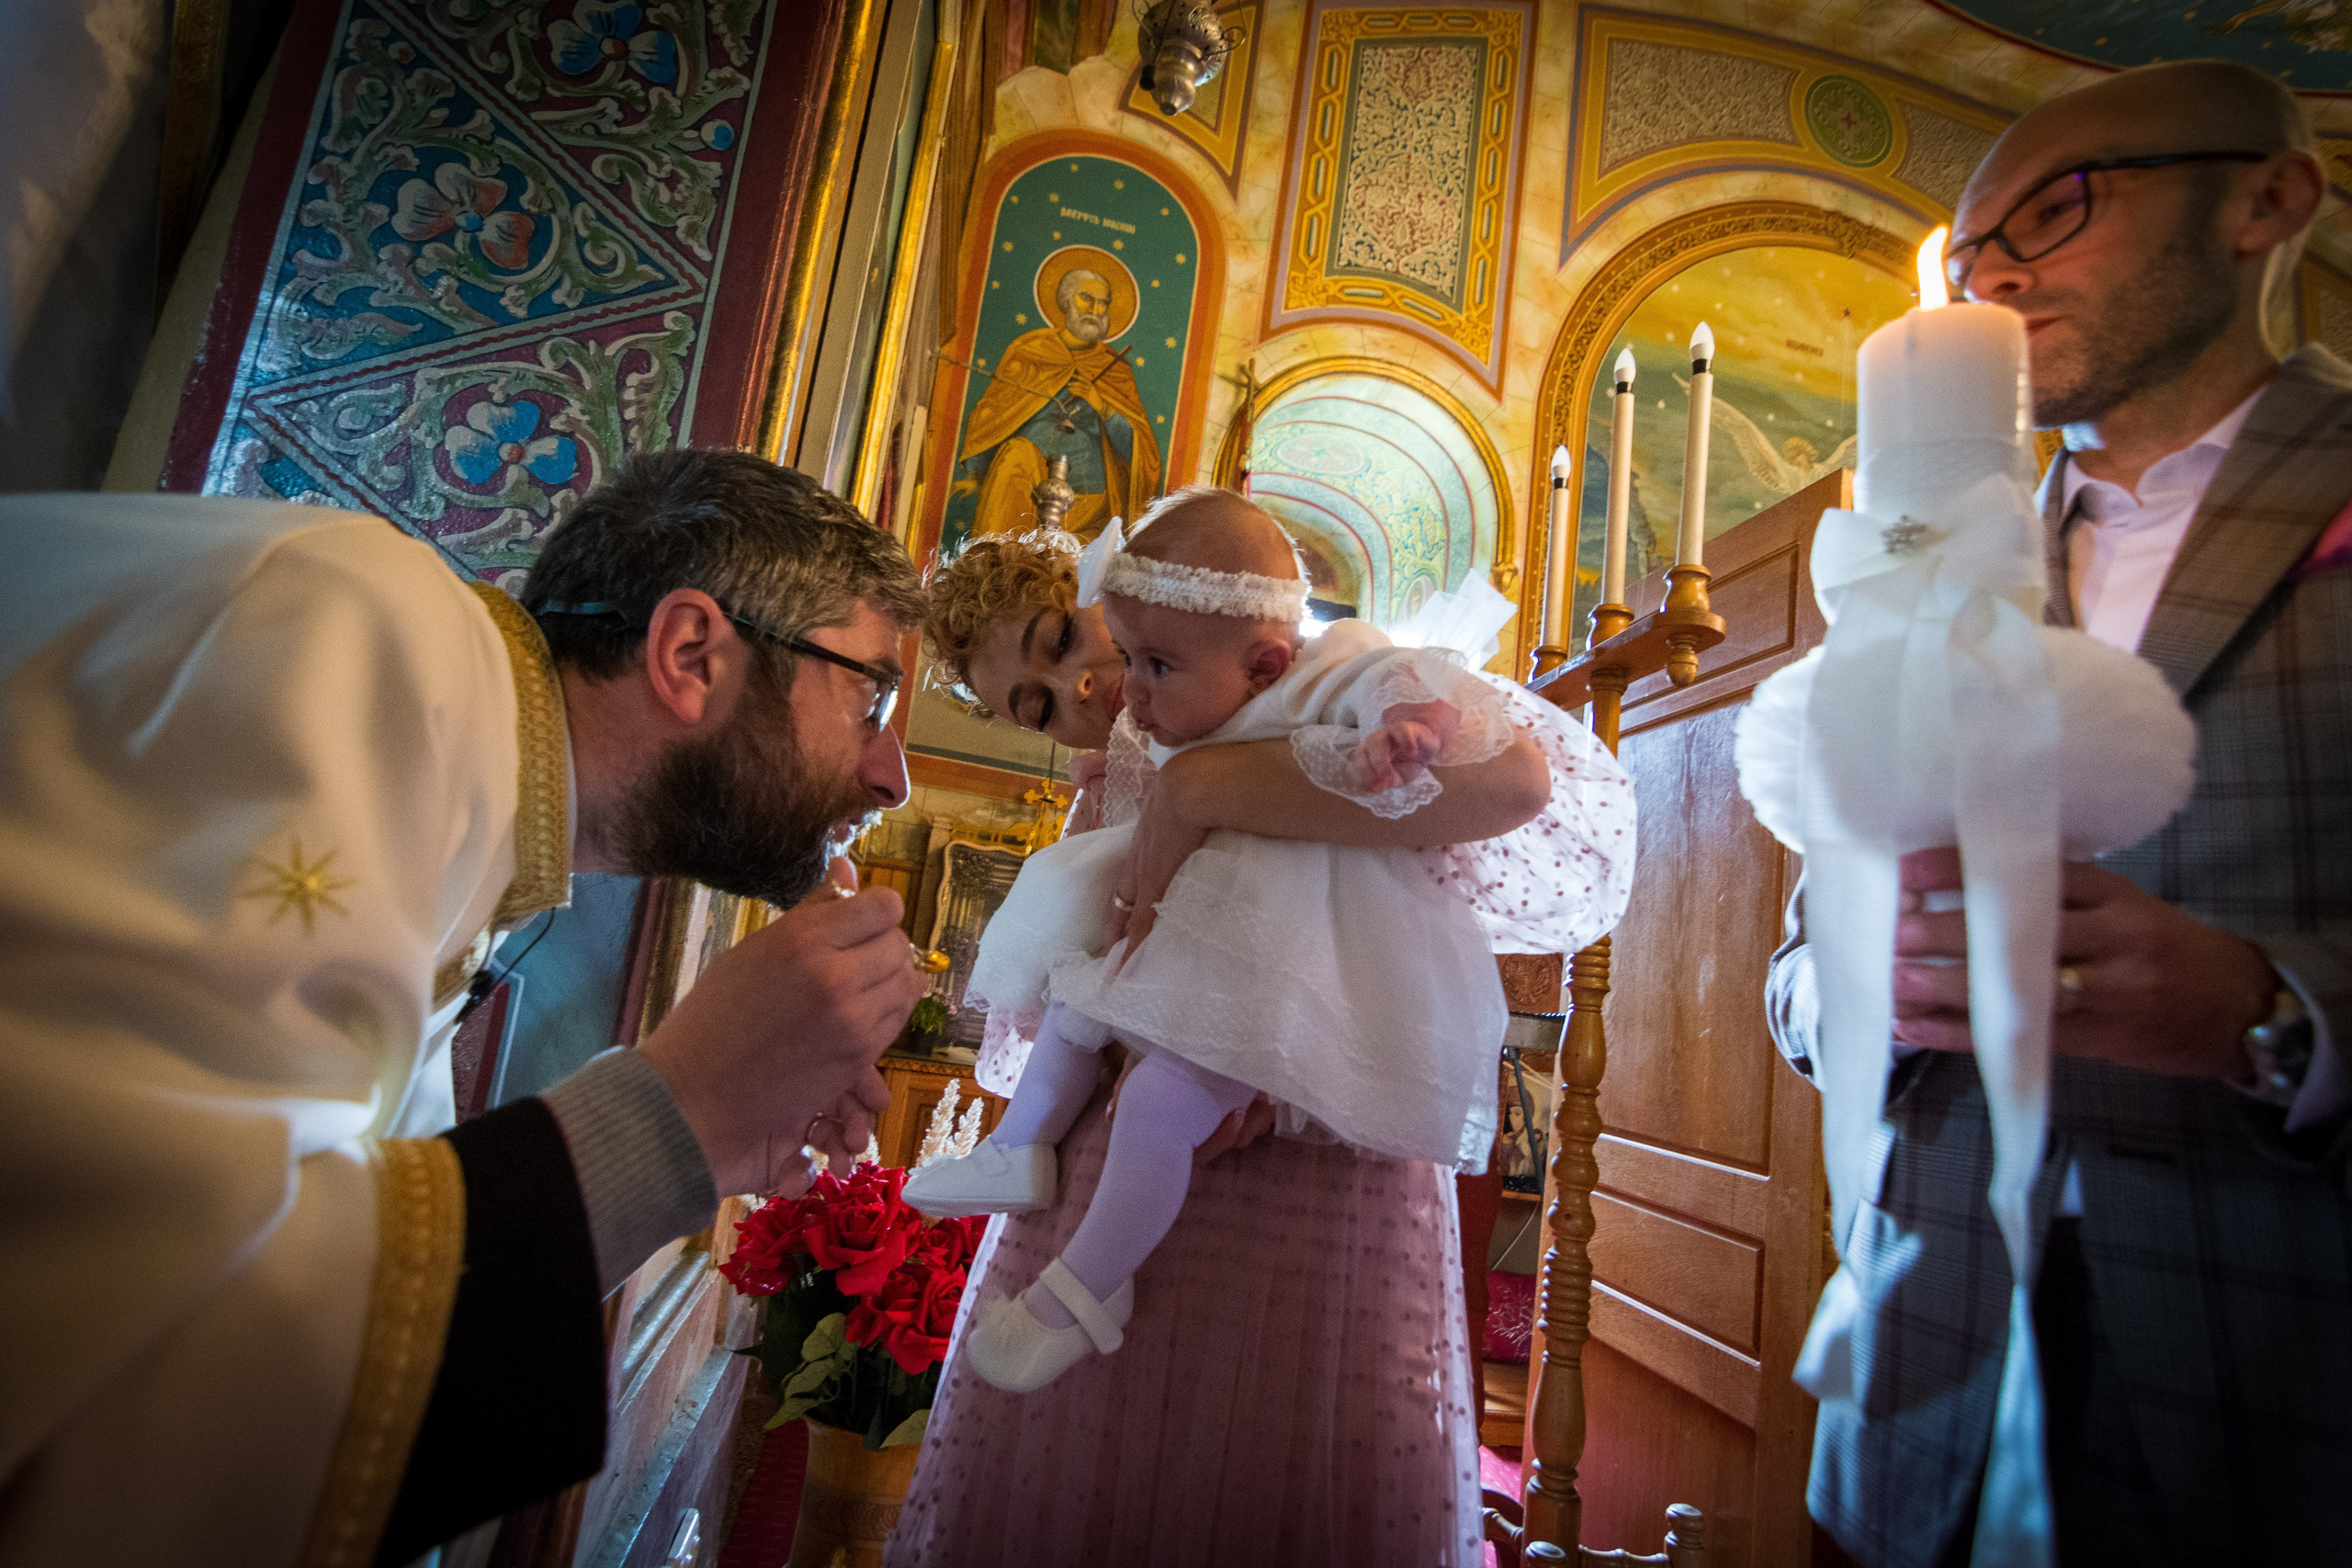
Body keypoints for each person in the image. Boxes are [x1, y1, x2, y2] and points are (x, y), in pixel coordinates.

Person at [0, 450, 932, 1567]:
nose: (894, 777)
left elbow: (353, 1257)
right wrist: (673, 1111)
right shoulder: (357, 635)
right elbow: (122, 1332)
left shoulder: (472, 799)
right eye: (870, 698)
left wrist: (715, 1127)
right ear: (691, 654)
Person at [1767, 60, 2350, 1567]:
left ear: (2270, 197)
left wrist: (2267, 1016)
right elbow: (1792, 977)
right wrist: (1865, 987)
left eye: (2061, 208)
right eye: (1972, 257)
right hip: (1926, 1360)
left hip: (2283, 1368)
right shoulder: (1930, 556)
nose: (2000, 271)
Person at [886, 517, 1628, 1565]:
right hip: (1132, 1152)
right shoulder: (1110, 782)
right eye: (1036, 704)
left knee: (1283, 1437)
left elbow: (1490, 800)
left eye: (1063, 641)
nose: (1083, 694)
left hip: (1318, 1142)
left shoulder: (1300, 688)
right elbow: (1088, 974)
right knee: (1105, 1448)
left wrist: (1201, 798)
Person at [959, 262, 1161, 541]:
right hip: (1026, 488)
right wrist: (976, 473)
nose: (1095, 309)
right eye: (1086, 298)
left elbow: (1140, 450)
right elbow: (997, 409)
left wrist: (1103, 407)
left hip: (1089, 502)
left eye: (1103, 303)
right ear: (1066, 301)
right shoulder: (1032, 350)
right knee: (1016, 453)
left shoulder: (1115, 370)